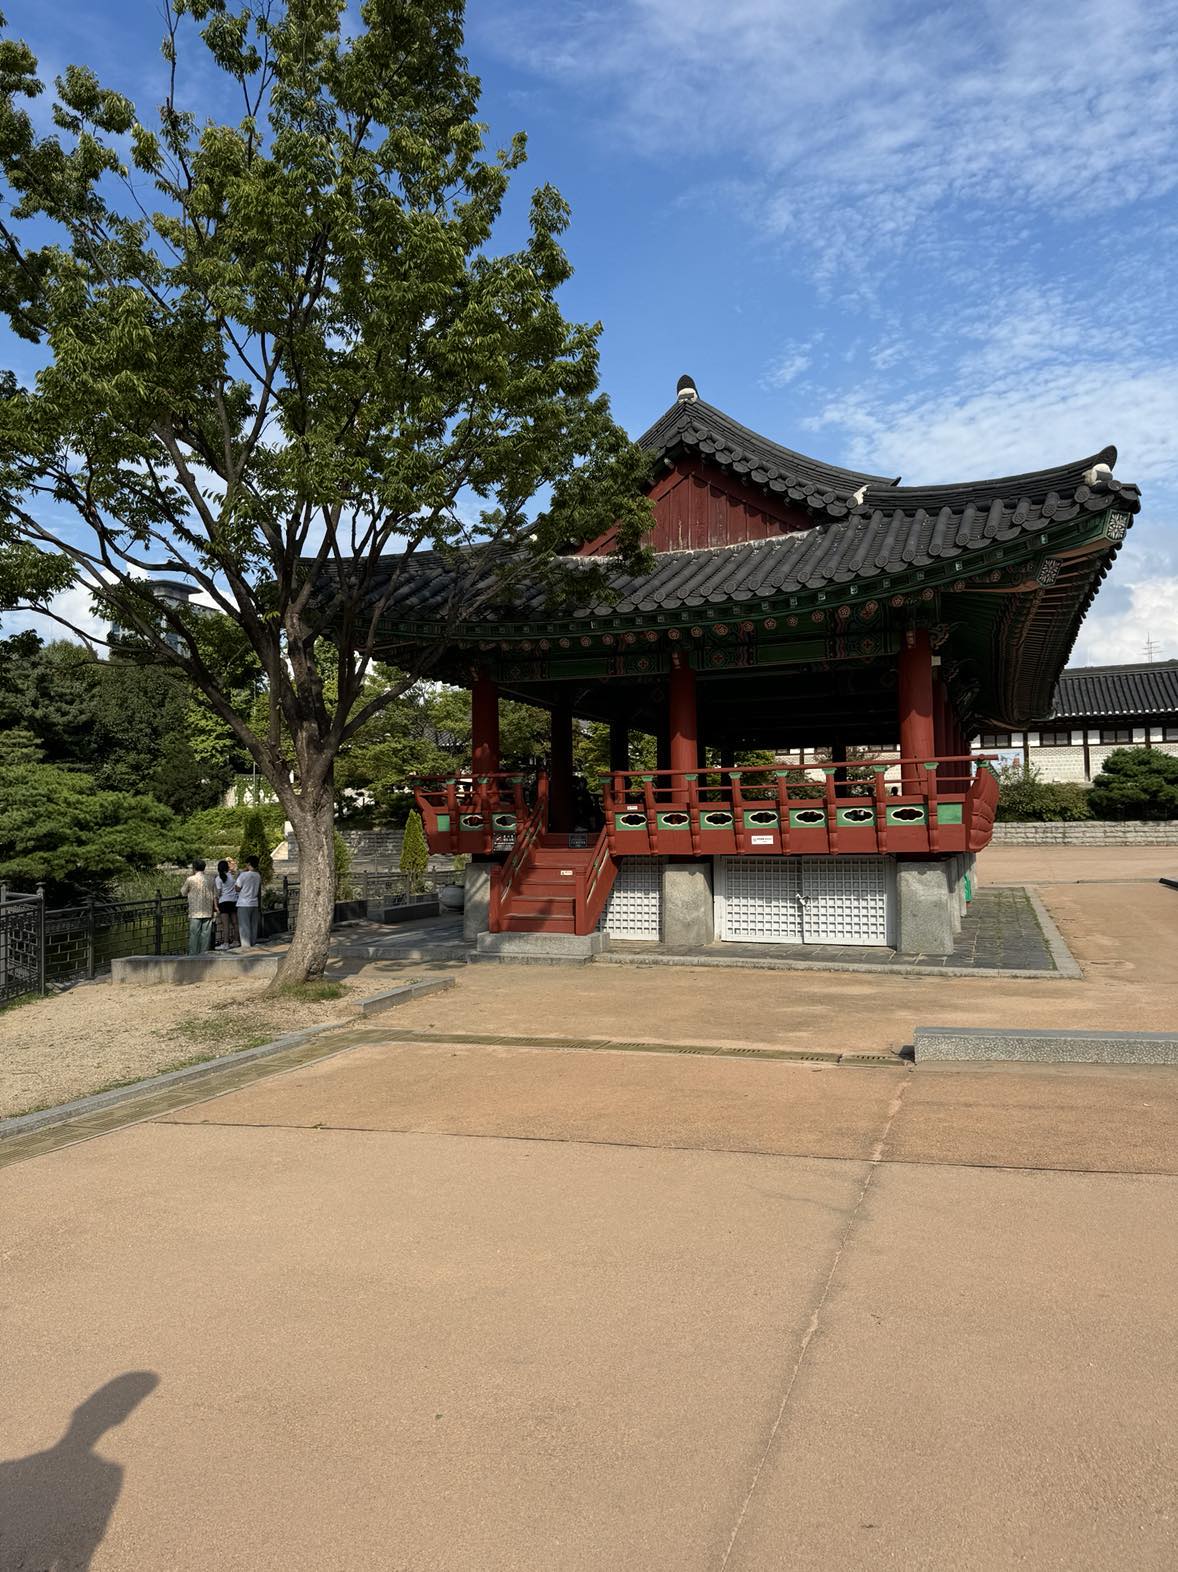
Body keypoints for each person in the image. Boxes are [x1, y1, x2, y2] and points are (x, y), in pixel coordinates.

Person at [182, 860, 217, 955]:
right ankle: (204, 954)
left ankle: (193, 955)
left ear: (194, 868)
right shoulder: (211, 879)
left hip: (195, 911)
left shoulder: (190, 879)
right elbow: (215, 894)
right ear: (204, 868)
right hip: (207, 910)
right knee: (206, 935)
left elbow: (183, 892)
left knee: (194, 935)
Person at [236, 855, 263, 948]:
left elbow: (237, 888)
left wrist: (239, 875)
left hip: (243, 902)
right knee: (253, 925)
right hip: (254, 903)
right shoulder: (258, 875)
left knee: (244, 926)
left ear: (248, 864)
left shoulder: (243, 875)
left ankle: (246, 945)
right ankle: (253, 942)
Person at [215, 858, 239, 949]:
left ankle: (226, 943)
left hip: (223, 902)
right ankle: (236, 941)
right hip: (233, 901)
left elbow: (219, 892)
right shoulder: (231, 876)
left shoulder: (218, 878)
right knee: (235, 923)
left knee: (225, 924)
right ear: (227, 868)